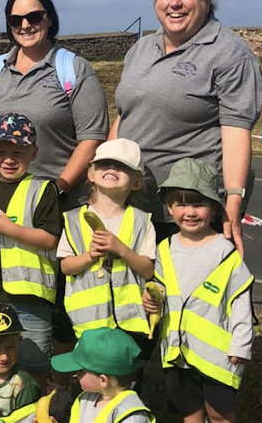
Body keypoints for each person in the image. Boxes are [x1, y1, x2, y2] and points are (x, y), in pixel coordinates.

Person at [112, 0, 262, 255]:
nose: (175, 2)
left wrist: (233, 200)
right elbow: (124, 115)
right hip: (133, 205)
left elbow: (235, 131)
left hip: (188, 211)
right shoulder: (141, 48)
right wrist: (106, 175)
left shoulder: (230, 54)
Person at [0, 0, 108, 210]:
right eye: (15, 20)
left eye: (34, 17)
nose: (25, 25)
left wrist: (56, 192)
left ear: (50, 19)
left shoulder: (74, 69)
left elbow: (92, 138)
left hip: (55, 210)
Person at [143, 158, 254, 423]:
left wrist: (242, 344)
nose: (190, 212)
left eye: (199, 204)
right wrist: (150, 299)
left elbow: (241, 301)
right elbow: (159, 288)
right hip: (177, 350)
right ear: (169, 207)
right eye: (181, 204)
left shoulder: (225, 252)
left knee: (219, 412)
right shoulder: (164, 249)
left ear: (214, 209)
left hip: (217, 354)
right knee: (188, 410)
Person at [59, 138, 155, 389]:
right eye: (104, 164)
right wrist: (89, 256)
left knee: (124, 382)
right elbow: (66, 266)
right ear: (90, 173)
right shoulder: (72, 219)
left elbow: (148, 269)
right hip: (87, 320)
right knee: (91, 379)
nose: (111, 169)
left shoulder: (143, 221)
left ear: (137, 182)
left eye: (121, 167)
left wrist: (121, 249)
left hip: (129, 320)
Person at [0, 112, 61, 356]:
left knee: (34, 356)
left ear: (34, 153)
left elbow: (50, 240)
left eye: (17, 153)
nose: (8, 160)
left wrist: (8, 228)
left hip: (32, 294)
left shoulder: (42, 189)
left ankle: (37, 393)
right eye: (0, 153)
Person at [50, 328, 155, 423]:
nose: (76, 374)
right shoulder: (86, 399)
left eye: (80, 371)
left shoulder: (130, 416)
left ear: (103, 380)